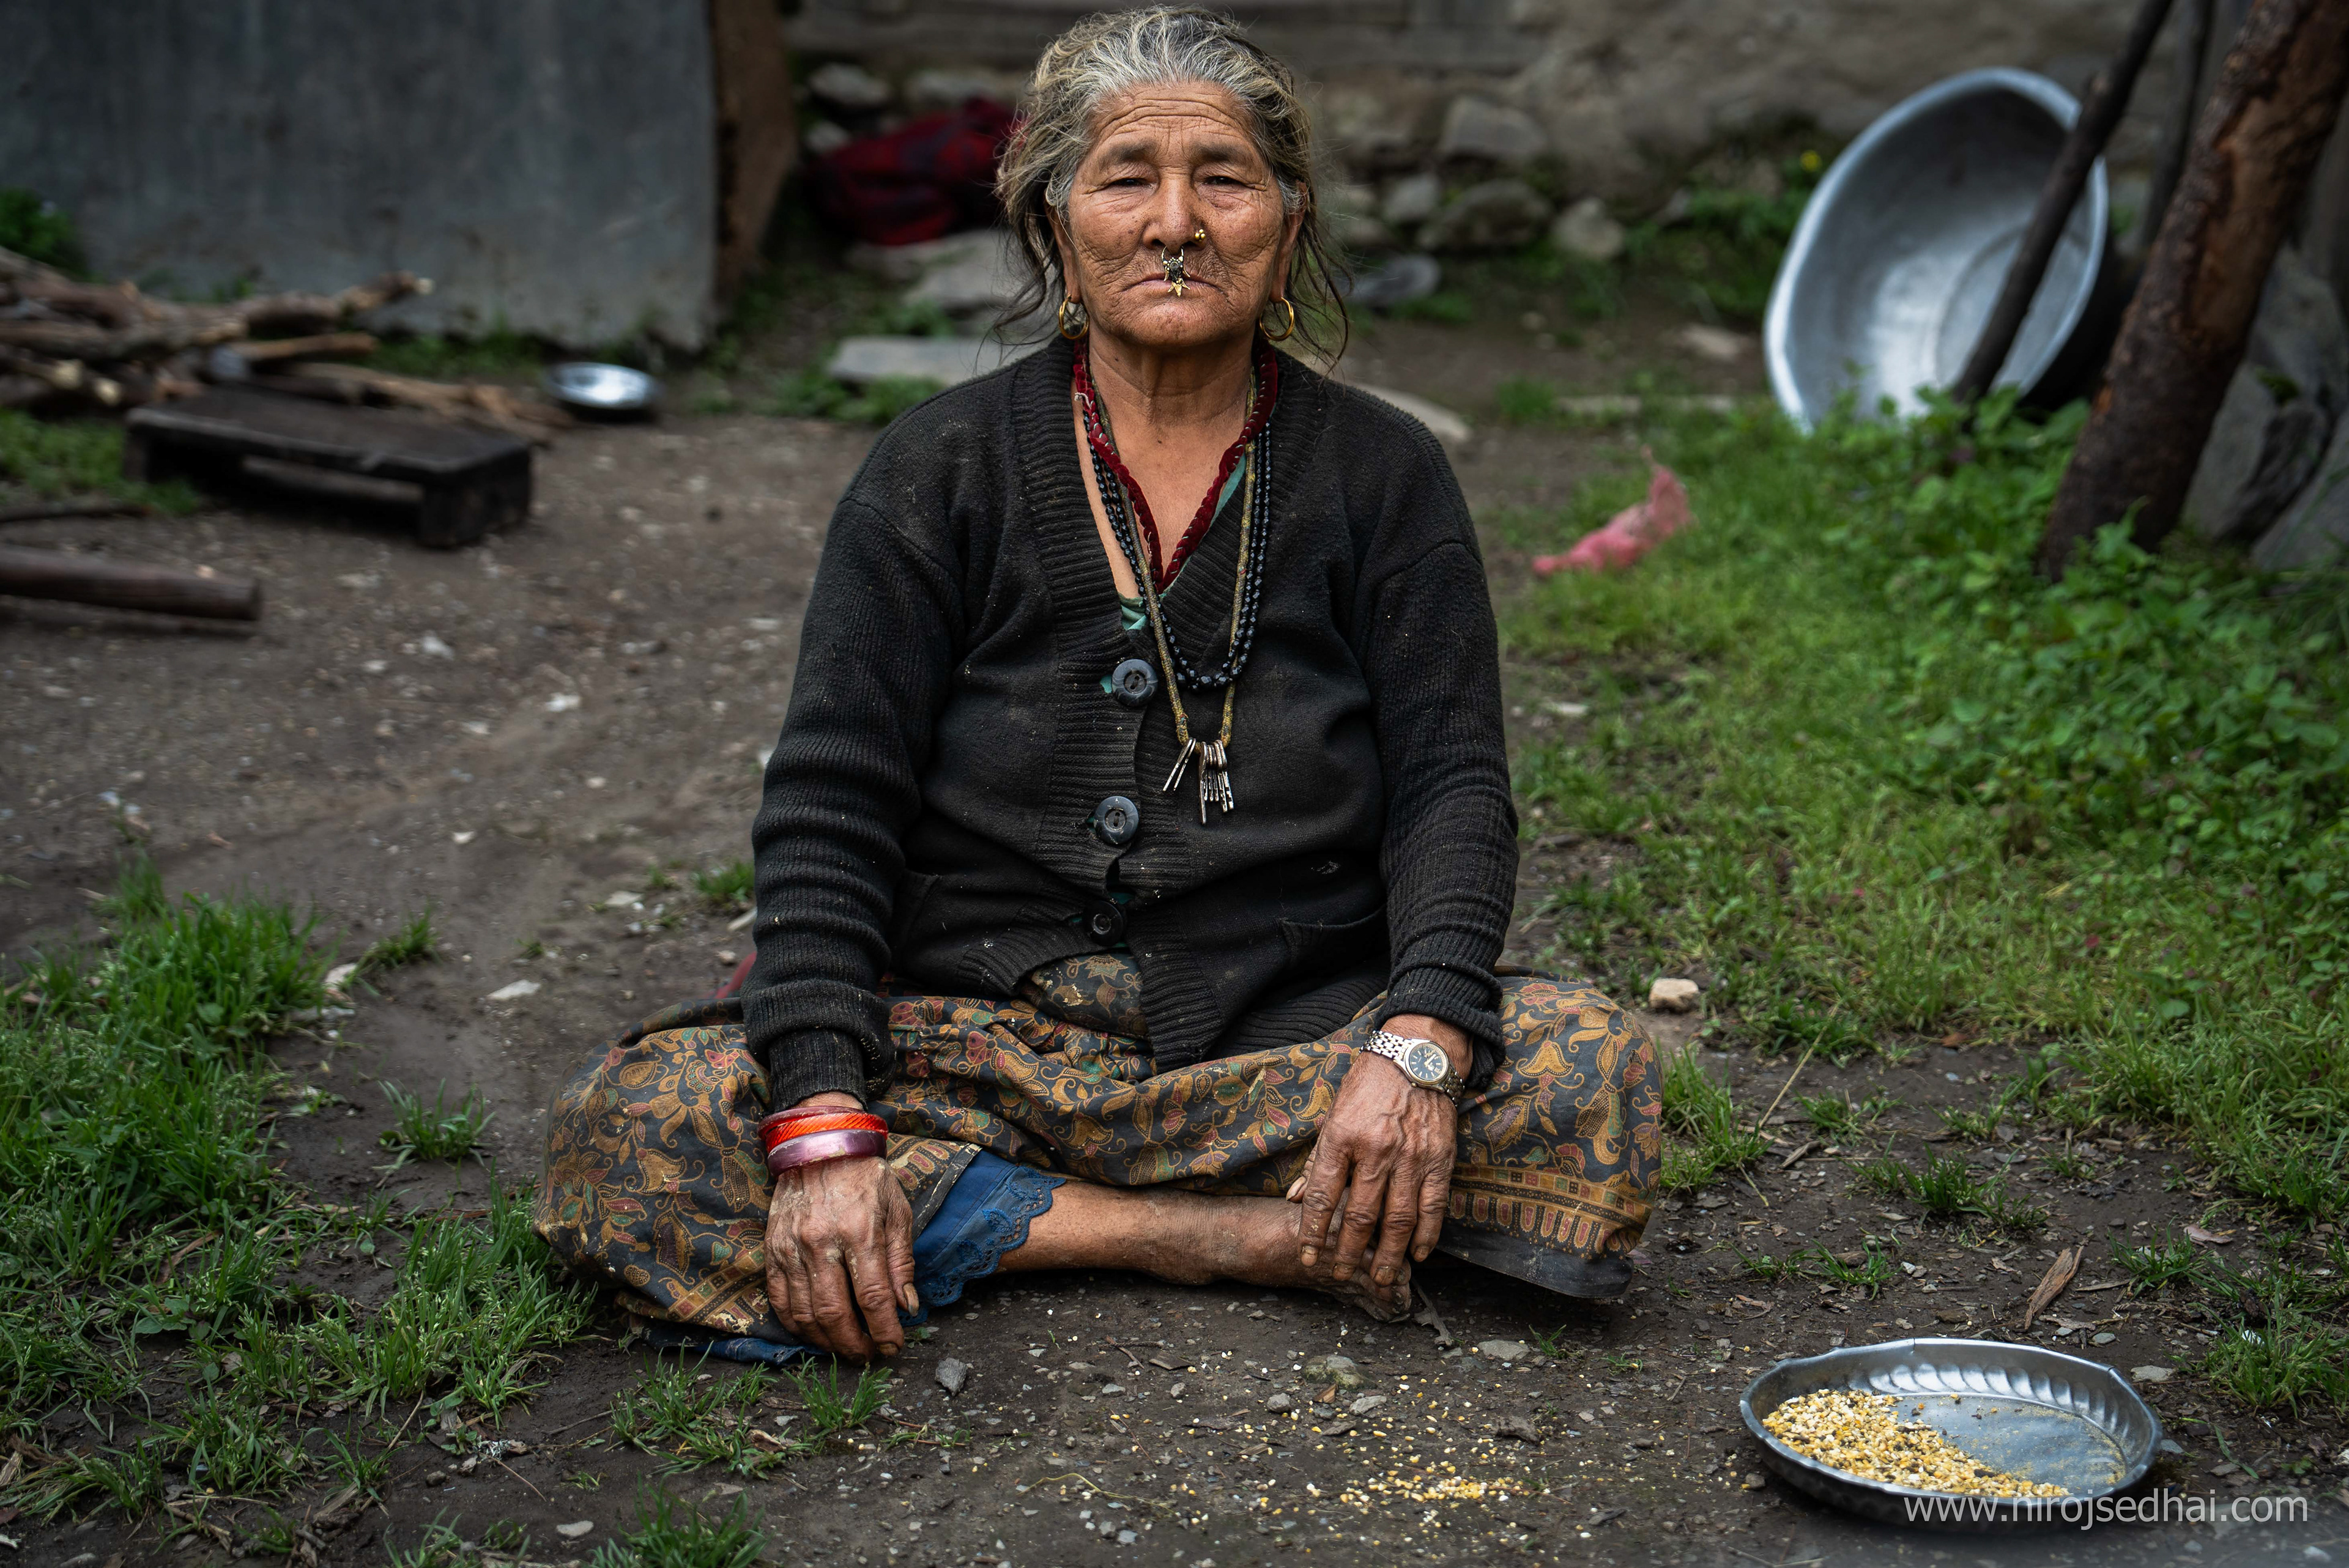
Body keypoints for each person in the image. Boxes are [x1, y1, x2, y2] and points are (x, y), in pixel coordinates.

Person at [536, 5, 1659, 1365]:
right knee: (638, 1128)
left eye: (1225, 178)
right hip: (968, 1042)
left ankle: (989, 1220)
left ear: (1287, 225)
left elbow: (1452, 789)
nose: (1176, 221)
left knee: (1584, 1061)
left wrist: (1414, 1044)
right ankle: (1203, 1232)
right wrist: (829, 1123)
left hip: (1274, 1037)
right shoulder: (937, 469)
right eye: (1129, 177)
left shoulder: (1382, 475)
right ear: (1054, 225)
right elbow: (832, 807)